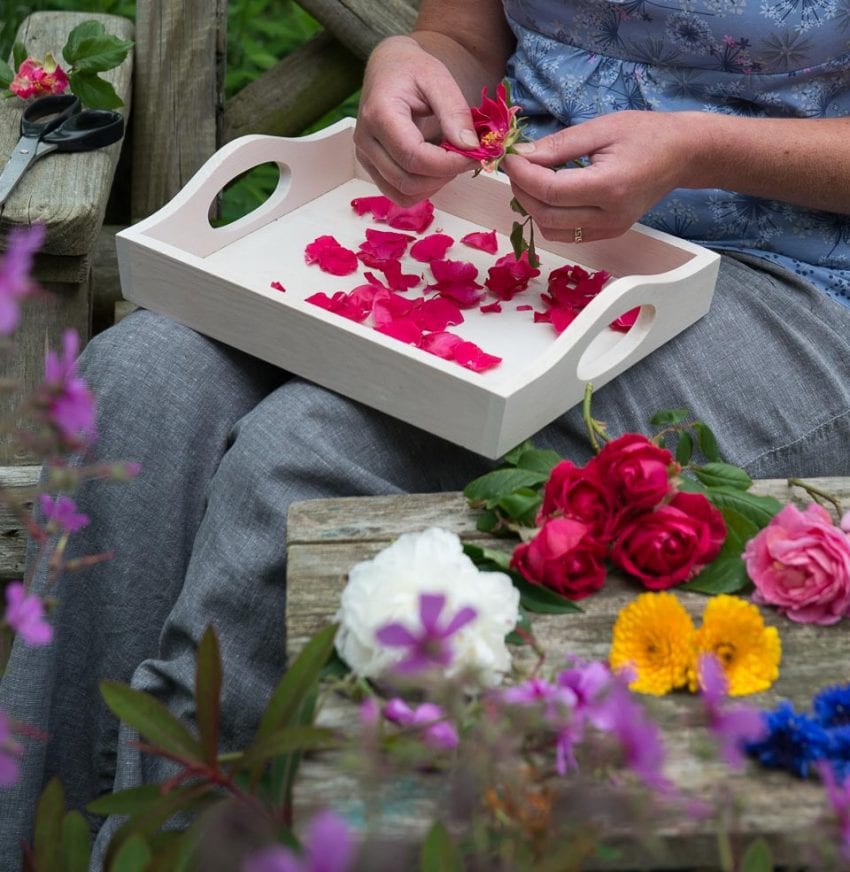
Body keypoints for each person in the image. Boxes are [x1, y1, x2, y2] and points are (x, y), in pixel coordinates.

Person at [2, 0, 849, 866]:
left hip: (787, 281)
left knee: (310, 454)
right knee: (139, 383)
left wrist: (701, 150)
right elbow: (468, 38)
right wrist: (414, 63)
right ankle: (47, 840)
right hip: (502, 225)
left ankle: (178, 844)